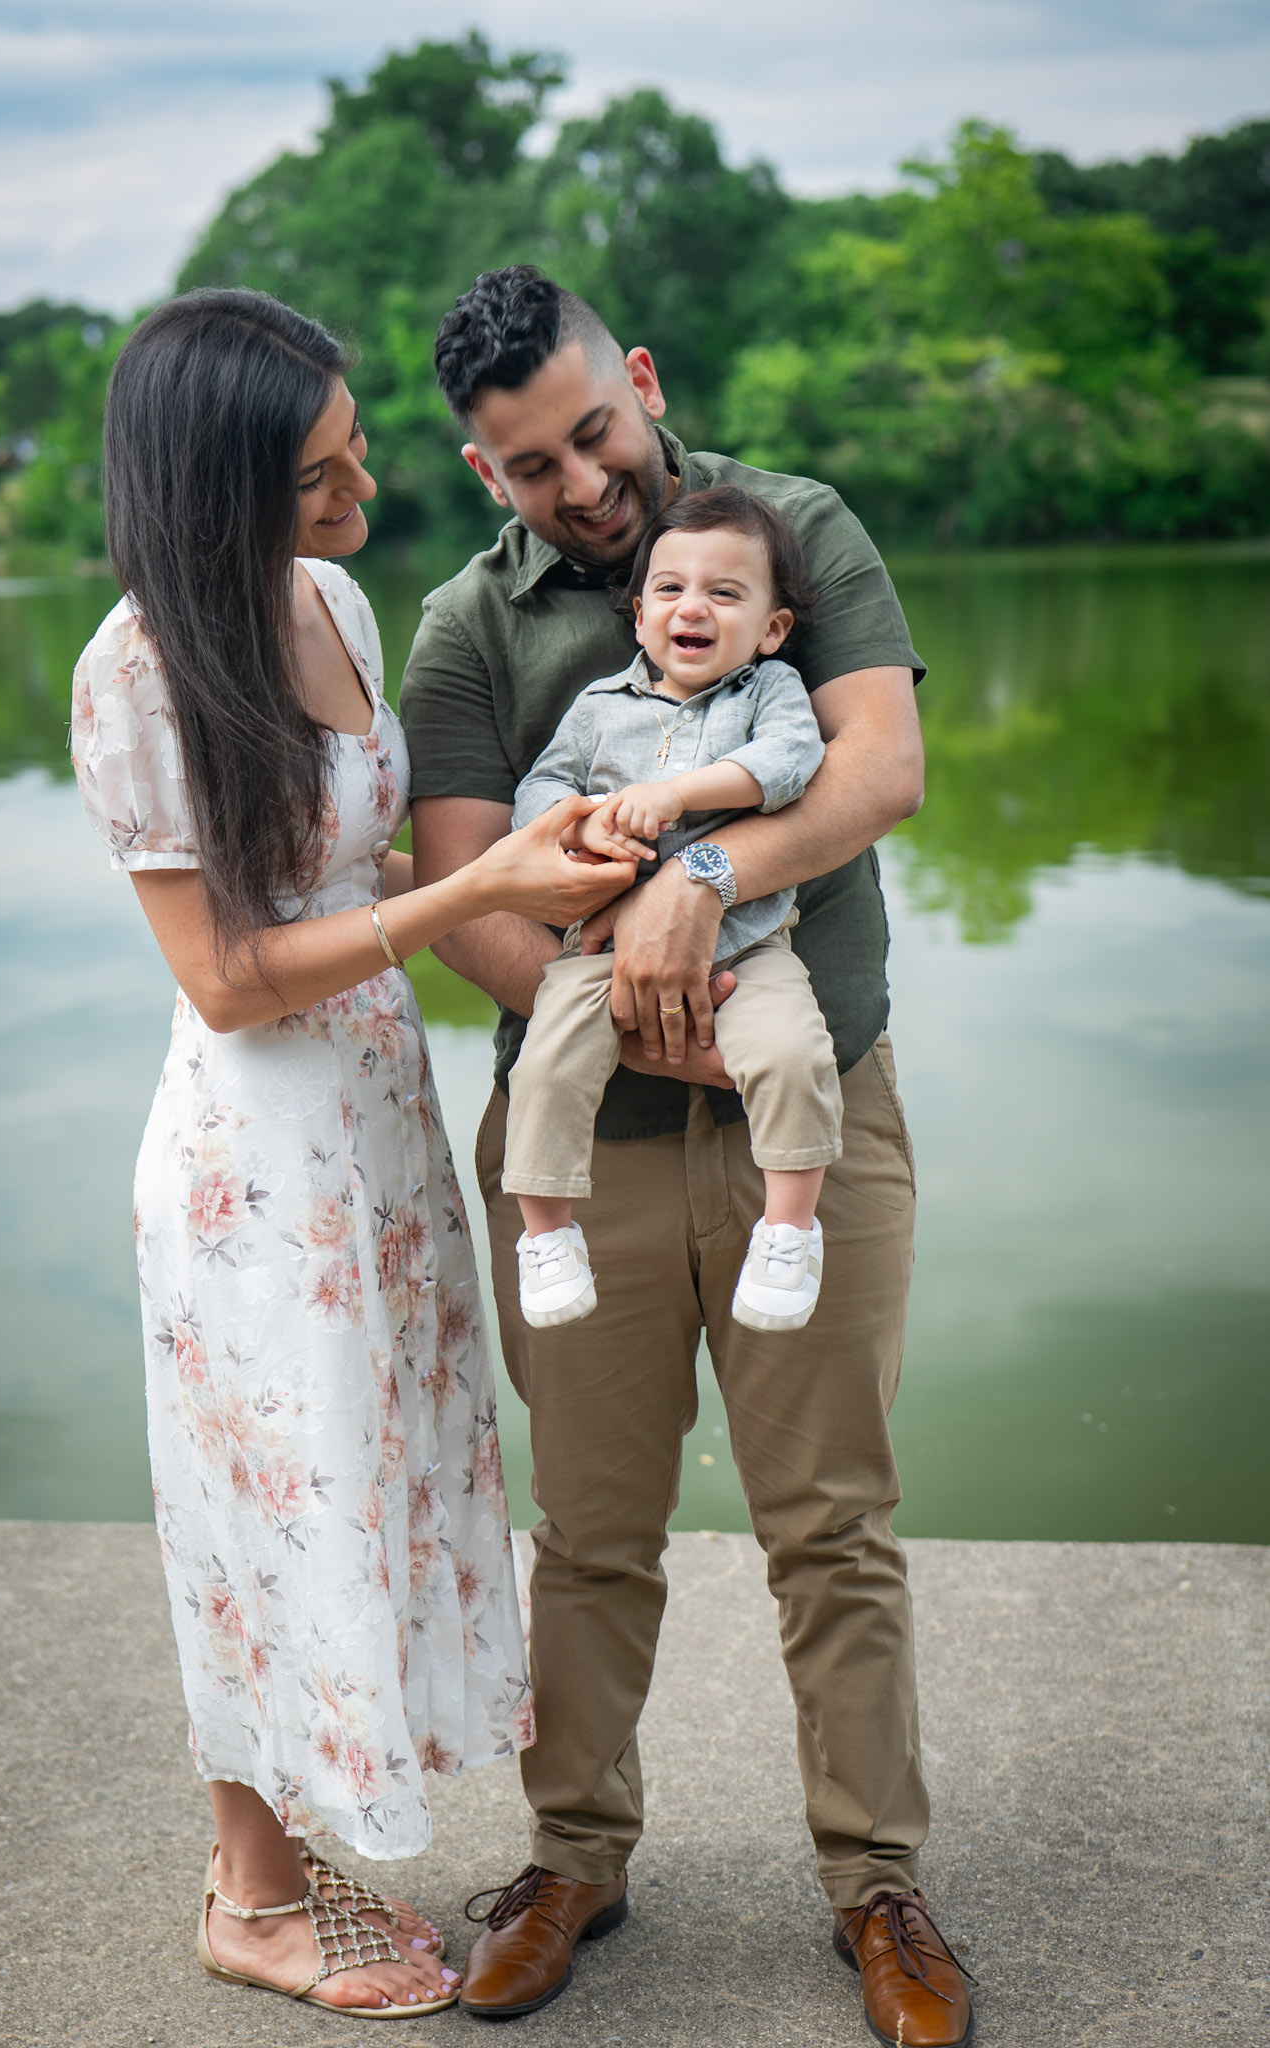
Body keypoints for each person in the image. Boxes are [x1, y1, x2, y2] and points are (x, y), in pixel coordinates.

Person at [401, 266, 974, 2045]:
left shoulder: (793, 531)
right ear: (484, 471)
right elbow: (464, 893)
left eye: (595, 432)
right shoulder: (463, 629)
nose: (581, 483)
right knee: (587, 1534)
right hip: (584, 1145)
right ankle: (571, 1859)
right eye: (531, 465)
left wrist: (700, 882)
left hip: (811, 1110)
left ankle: (877, 1885)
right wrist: (637, 1009)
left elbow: (876, 768)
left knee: (834, 1528)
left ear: (639, 378)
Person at [71, 287, 635, 2020]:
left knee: (372, 1482)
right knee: (269, 1501)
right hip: (259, 1163)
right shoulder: (136, 672)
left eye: (357, 449)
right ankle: (247, 1893)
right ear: (217, 490)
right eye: (318, 476)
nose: (362, 492)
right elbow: (228, 975)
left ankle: (292, 1850)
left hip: (379, 1126)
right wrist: (468, 896)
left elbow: (354, 862)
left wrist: (541, 873)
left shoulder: (329, 602)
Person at [504, 486, 841, 1337]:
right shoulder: (598, 708)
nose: (692, 607)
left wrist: (678, 794)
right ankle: (545, 1236)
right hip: (602, 943)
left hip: (748, 942)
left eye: (724, 593)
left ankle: (789, 1230)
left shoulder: (768, 690)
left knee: (792, 1053)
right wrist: (580, 825)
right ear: (639, 617)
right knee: (544, 1064)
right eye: (669, 589)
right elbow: (542, 787)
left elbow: (790, 761)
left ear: (771, 628)